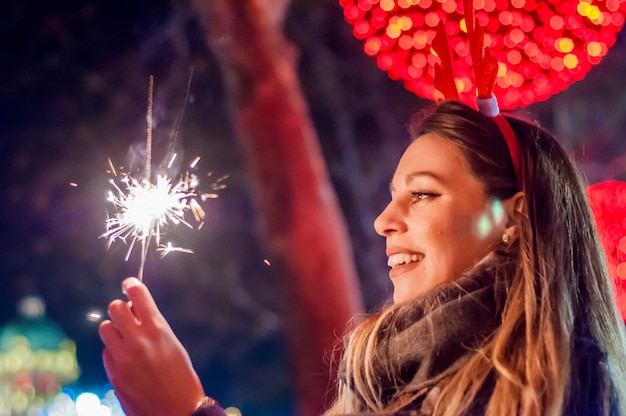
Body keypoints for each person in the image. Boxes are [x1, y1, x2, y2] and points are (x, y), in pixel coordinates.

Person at [99, 100, 626, 415]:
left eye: (422, 194)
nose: (384, 221)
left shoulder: (547, 390)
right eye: (392, 194)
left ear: (511, 219)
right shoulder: (396, 376)